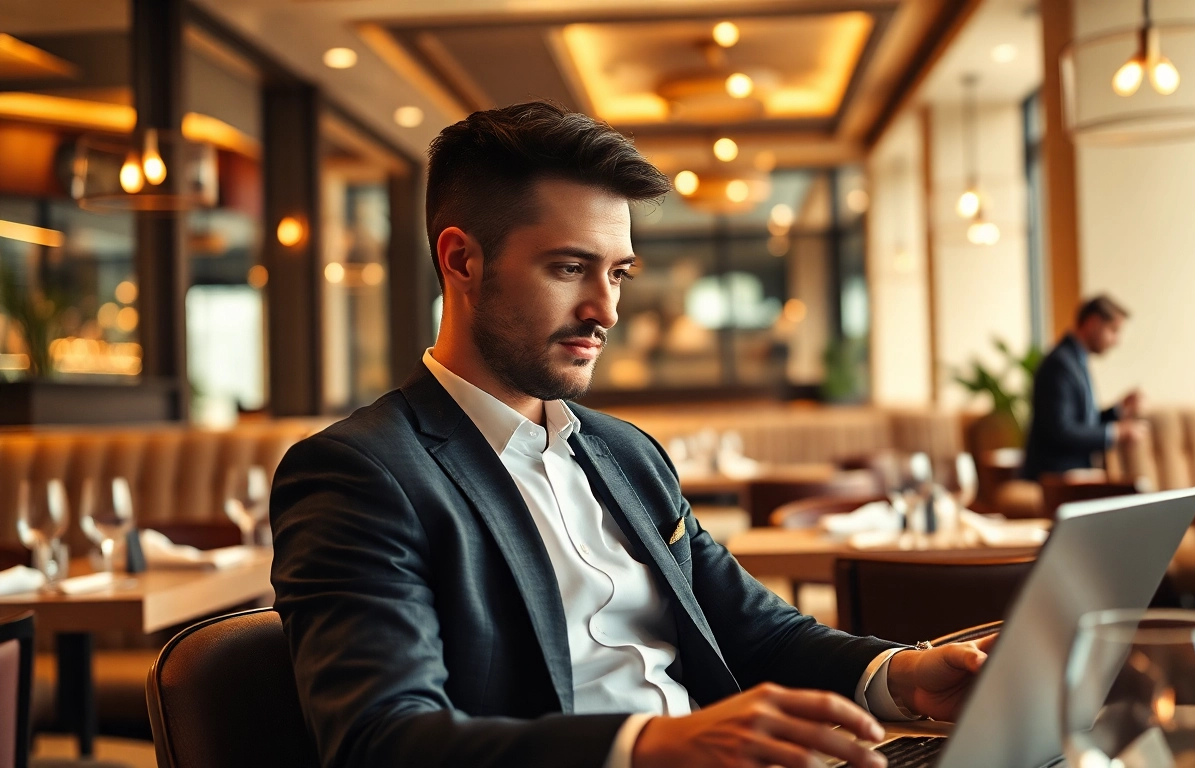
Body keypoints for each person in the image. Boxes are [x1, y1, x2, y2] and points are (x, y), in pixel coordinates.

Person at [270, 101, 993, 768]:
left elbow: (753, 629)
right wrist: (646, 745)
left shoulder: (625, 453)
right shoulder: (359, 474)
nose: (606, 310)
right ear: (462, 260)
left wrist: (902, 676)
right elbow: (382, 739)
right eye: (569, 268)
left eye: (618, 273)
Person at [1021, 295, 1147, 480]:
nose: (1116, 341)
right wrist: (1117, 432)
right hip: (1055, 478)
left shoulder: (1075, 361)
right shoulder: (1060, 363)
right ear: (1093, 323)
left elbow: (1084, 423)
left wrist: (1119, 410)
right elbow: (1061, 431)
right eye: (1113, 330)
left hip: (1073, 474)